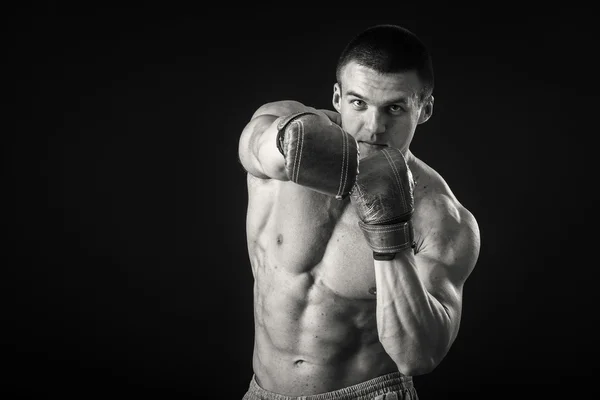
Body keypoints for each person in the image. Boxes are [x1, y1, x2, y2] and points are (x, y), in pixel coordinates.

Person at [237, 24, 481, 400]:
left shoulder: (442, 218)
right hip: (262, 391)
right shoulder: (284, 129)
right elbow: (259, 149)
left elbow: (418, 356)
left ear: (425, 108)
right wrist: (293, 142)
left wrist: (389, 230)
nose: (373, 126)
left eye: (395, 108)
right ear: (336, 96)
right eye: (358, 103)